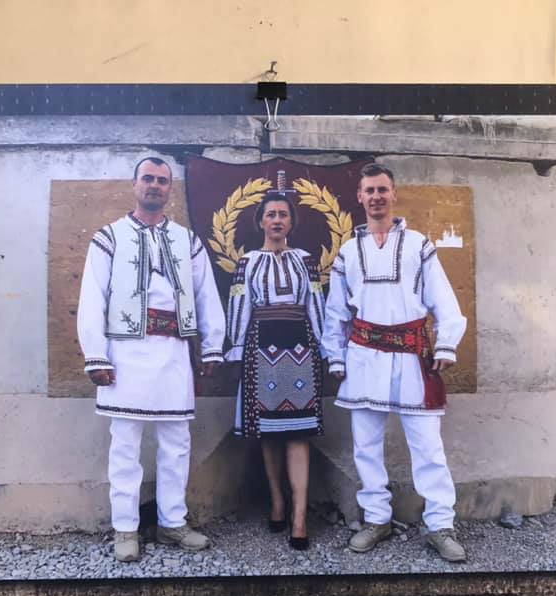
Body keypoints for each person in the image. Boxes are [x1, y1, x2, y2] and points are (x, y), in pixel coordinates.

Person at [77, 157, 226, 562]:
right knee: (125, 445)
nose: (155, 185)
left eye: (162, 180)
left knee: (176, 443)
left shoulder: (187, 241)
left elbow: (206, 295)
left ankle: (172, 522)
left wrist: (212, 346)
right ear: (135, 185)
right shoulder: (109, 237)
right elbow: (92, 298)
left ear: (169, 188)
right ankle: (125, 528)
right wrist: (96, 355)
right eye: (148, 179)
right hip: (126, 354)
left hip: (174, 352)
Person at [321, 163, 468, 562]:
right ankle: (376, 518)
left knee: (428, 447)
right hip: (364, 357)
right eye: (369, 190)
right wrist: (335, 355)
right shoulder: (349, 252)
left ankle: (440, 525)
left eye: (382, 189)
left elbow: (444, 299)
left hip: (411, 357)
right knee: (366, 446)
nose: (376, 197)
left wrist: (446, 344)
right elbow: (336, 312)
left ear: (394, 193)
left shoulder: (418, 245)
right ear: (360, 197)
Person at [225, 191, 326, 550]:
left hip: (300, 347)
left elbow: (316, 302)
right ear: (261, 222)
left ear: (291, 222)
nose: (277, 220)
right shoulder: (247, 262)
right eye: (271, 214)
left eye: (283, 214)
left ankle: (299, 517)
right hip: (261, 348)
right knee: (269, 432)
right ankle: (277, 501)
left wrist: (326, 348)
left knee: (299, 433)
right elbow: (239, 303)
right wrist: (236, 348)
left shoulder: (306, 261)